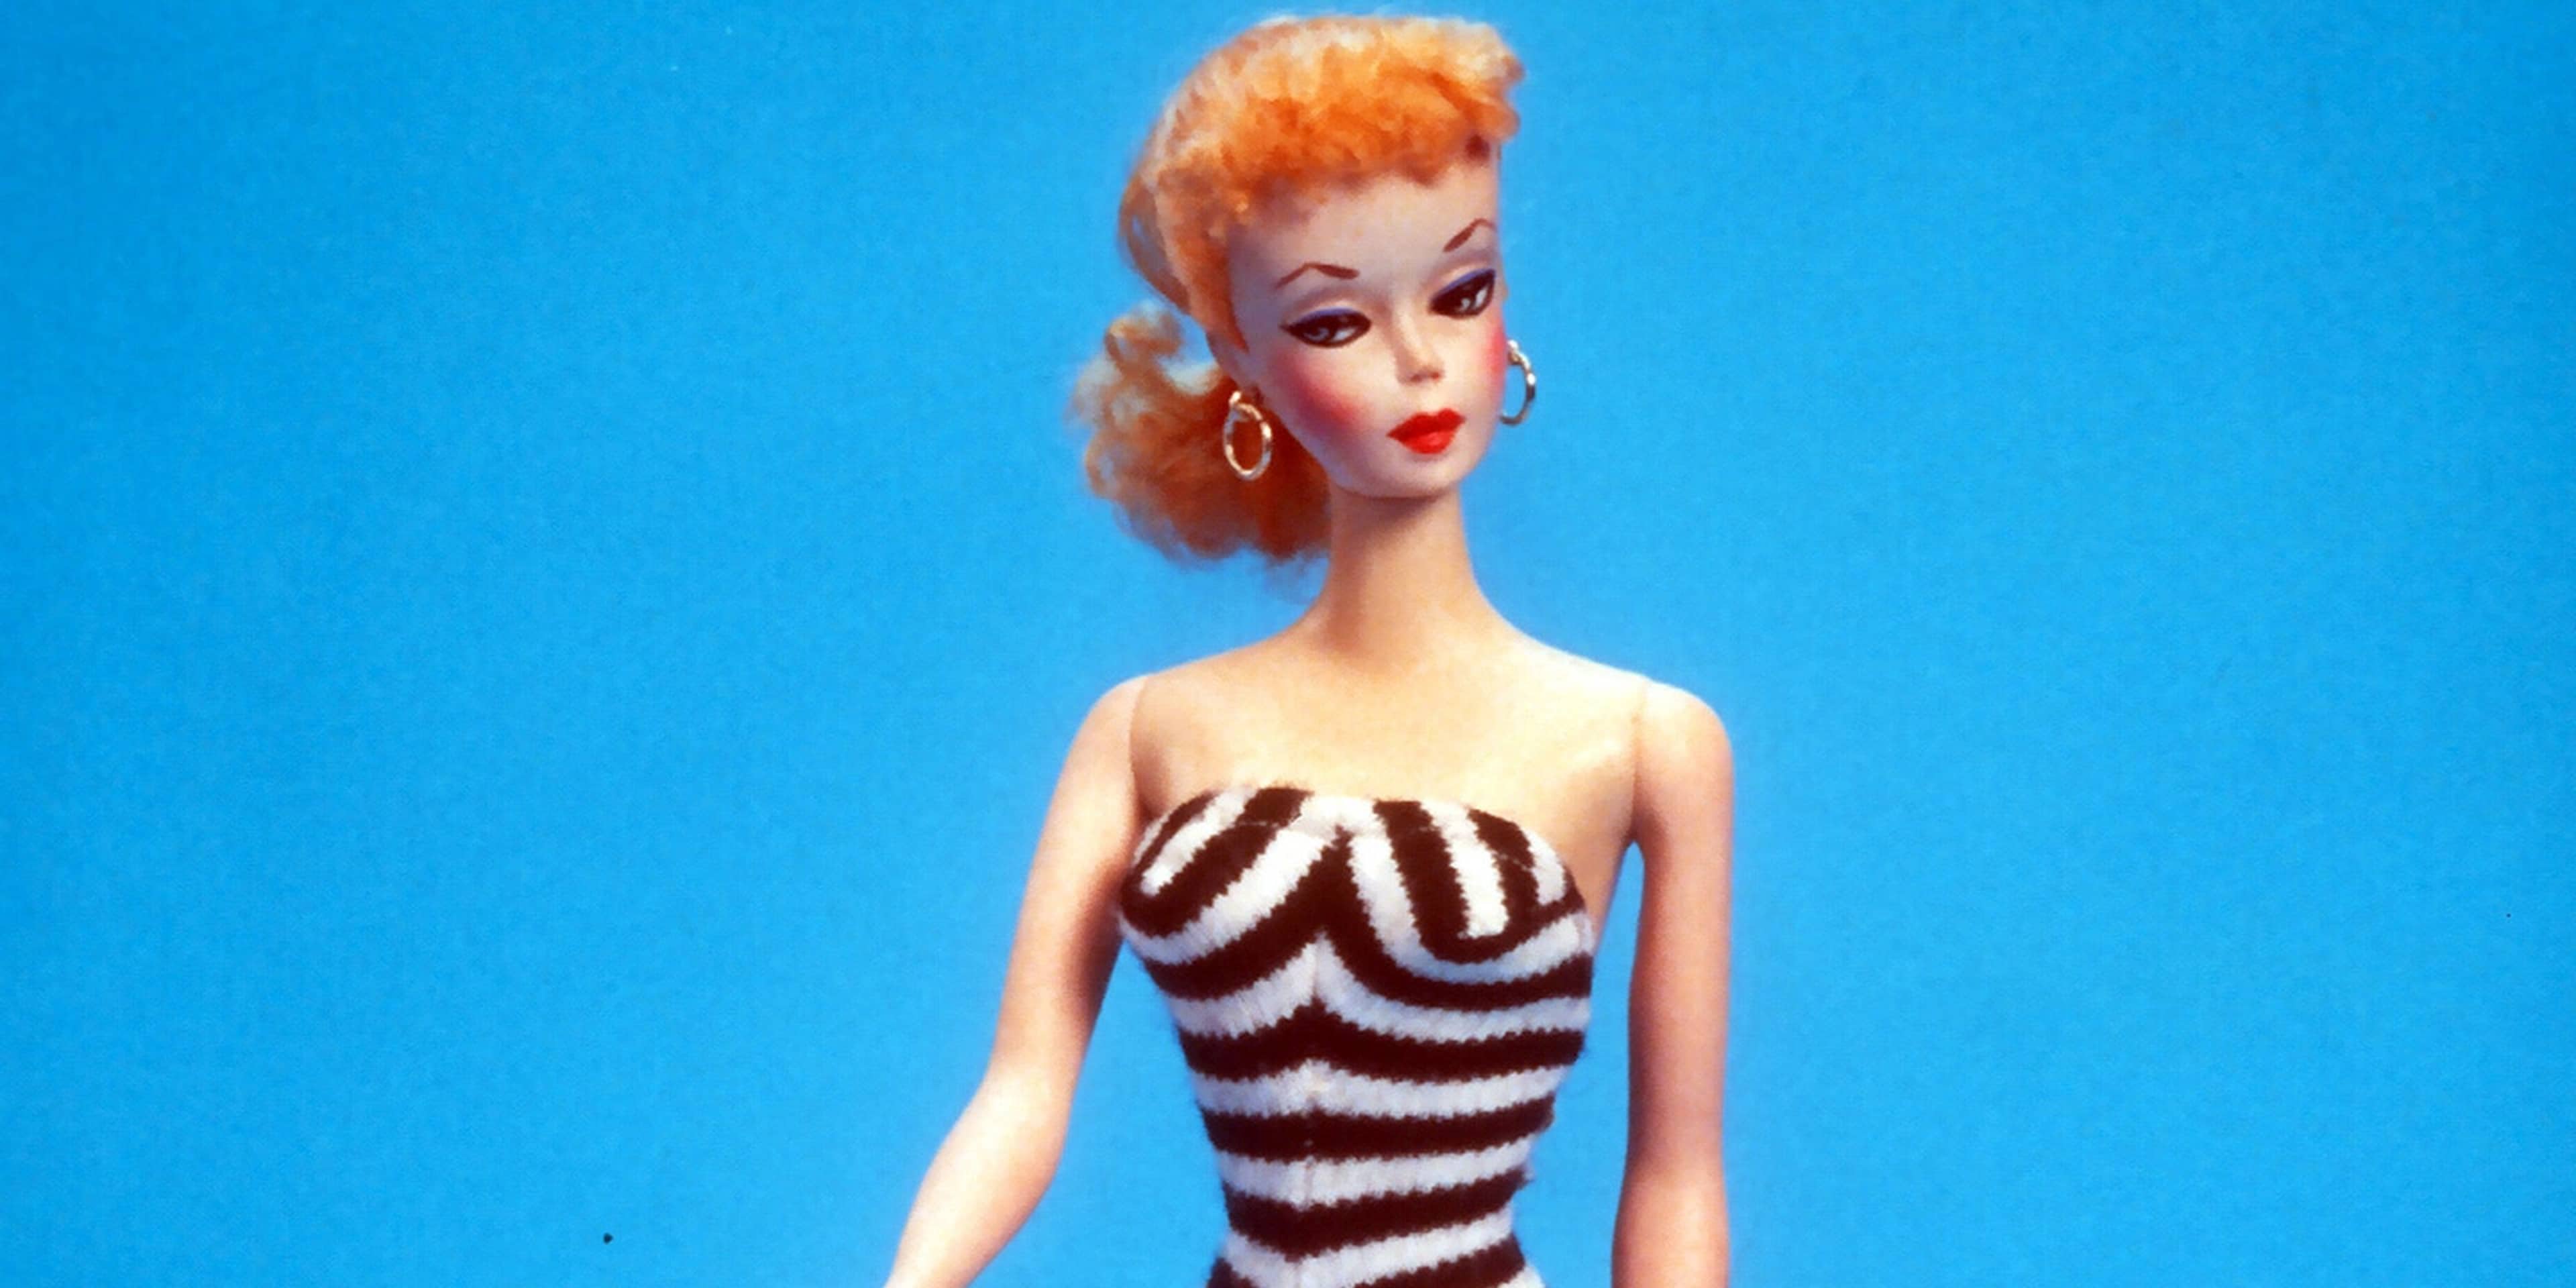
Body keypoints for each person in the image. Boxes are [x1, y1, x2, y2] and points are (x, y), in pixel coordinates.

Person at [882, 15, 1733, 1287]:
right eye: (1335, 322)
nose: (1418, 361)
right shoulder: (1145, 731)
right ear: (1241, 358)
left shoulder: (1647, 740)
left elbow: (1676, 1177)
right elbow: (1022, 1090)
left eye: (1462, 292)